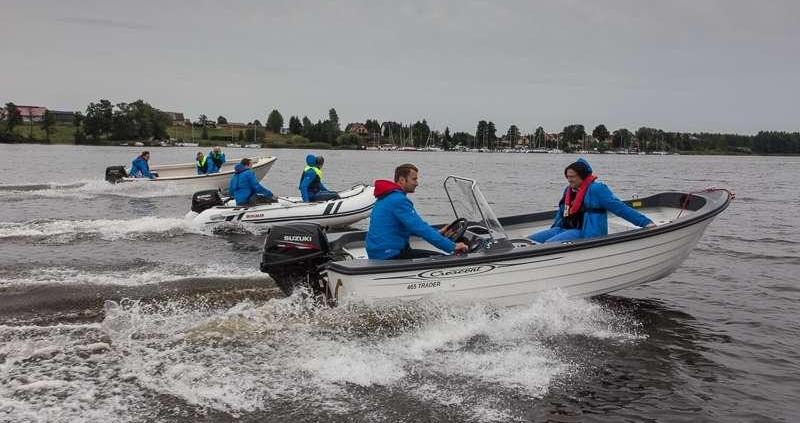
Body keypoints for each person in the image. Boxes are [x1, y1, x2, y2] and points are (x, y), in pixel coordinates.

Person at [529, 158, 656, 243]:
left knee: (549, 244)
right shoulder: (568, 190)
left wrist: (646, 223)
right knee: (530, 241)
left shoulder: (597, 189)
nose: (569, 180)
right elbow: (562, 213)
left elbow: (619, 208)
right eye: (567, 177)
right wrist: (553, 231)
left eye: (572, 177)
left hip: (583, 233)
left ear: (582, 176)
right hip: (563, 228)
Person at [366, 163, 468, 259]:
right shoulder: (398, 200)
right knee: (442, 259)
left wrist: (438, 232)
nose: (417, 183)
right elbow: (420, 228)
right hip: (388, 254)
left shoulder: (387, 196)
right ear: (402, 180)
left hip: (380, 250)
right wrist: (453, 246)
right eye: (414, 179)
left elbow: (412, 227)